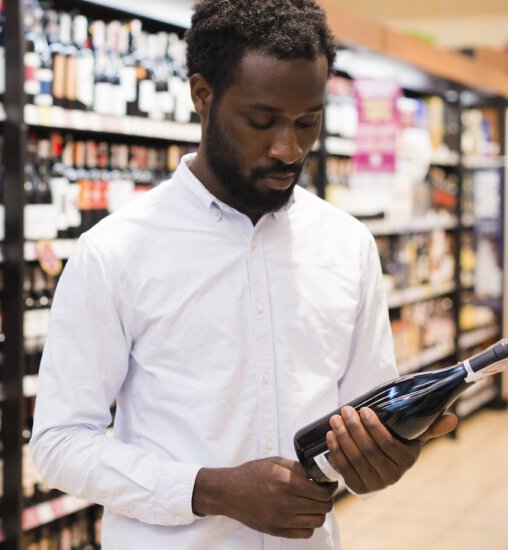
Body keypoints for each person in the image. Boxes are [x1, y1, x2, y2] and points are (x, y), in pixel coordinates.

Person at [29, 0, 459, 548]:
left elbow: (364, 419)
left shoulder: (347, 245)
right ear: (203, 97)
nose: (289, 148)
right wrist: (210, 489)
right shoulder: (115, 252)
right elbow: (60, 443)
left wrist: (382, 461)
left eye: (308, 122)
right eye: (262, 121)